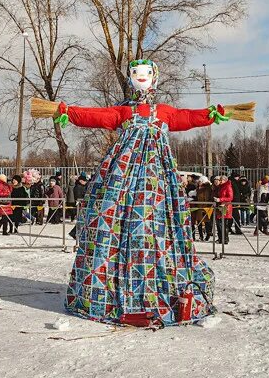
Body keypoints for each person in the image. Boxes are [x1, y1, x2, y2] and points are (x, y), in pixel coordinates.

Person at [39, 58, 242, 326]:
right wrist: (67, 110)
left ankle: (160, 284)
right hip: (121, 174)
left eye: (146, 73)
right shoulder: (123, 111)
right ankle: (107, 288)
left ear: (155, 76)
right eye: (135, 72)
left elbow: (188, 117)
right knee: (107, 214)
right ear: (129, 77)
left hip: (156, 177)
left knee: (155, 221)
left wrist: (214, 112)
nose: (141, 76)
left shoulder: (165, 112)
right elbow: (96, 116)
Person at [192, 176, 214, 241]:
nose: (199, 183)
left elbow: (206, 198)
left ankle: (208, 235)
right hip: (199, 206)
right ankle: (201, 236)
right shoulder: (198, 188)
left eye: (200, 181)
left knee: (207, 222)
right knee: (199, 222)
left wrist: (206, 205)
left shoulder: (207, 188)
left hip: (205, 207)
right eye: (199, 182)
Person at [213, 174, 233, 245]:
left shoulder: (228, 186)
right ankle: (220, 238)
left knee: (223, 224)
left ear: (225, 180)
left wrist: (220, 199)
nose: (220, 181)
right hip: (220, 206)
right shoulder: (220, 187)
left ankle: (225, 239)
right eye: (219, 180)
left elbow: (230, 198)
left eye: (221, 180)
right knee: (219, 223)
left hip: (225, 207)